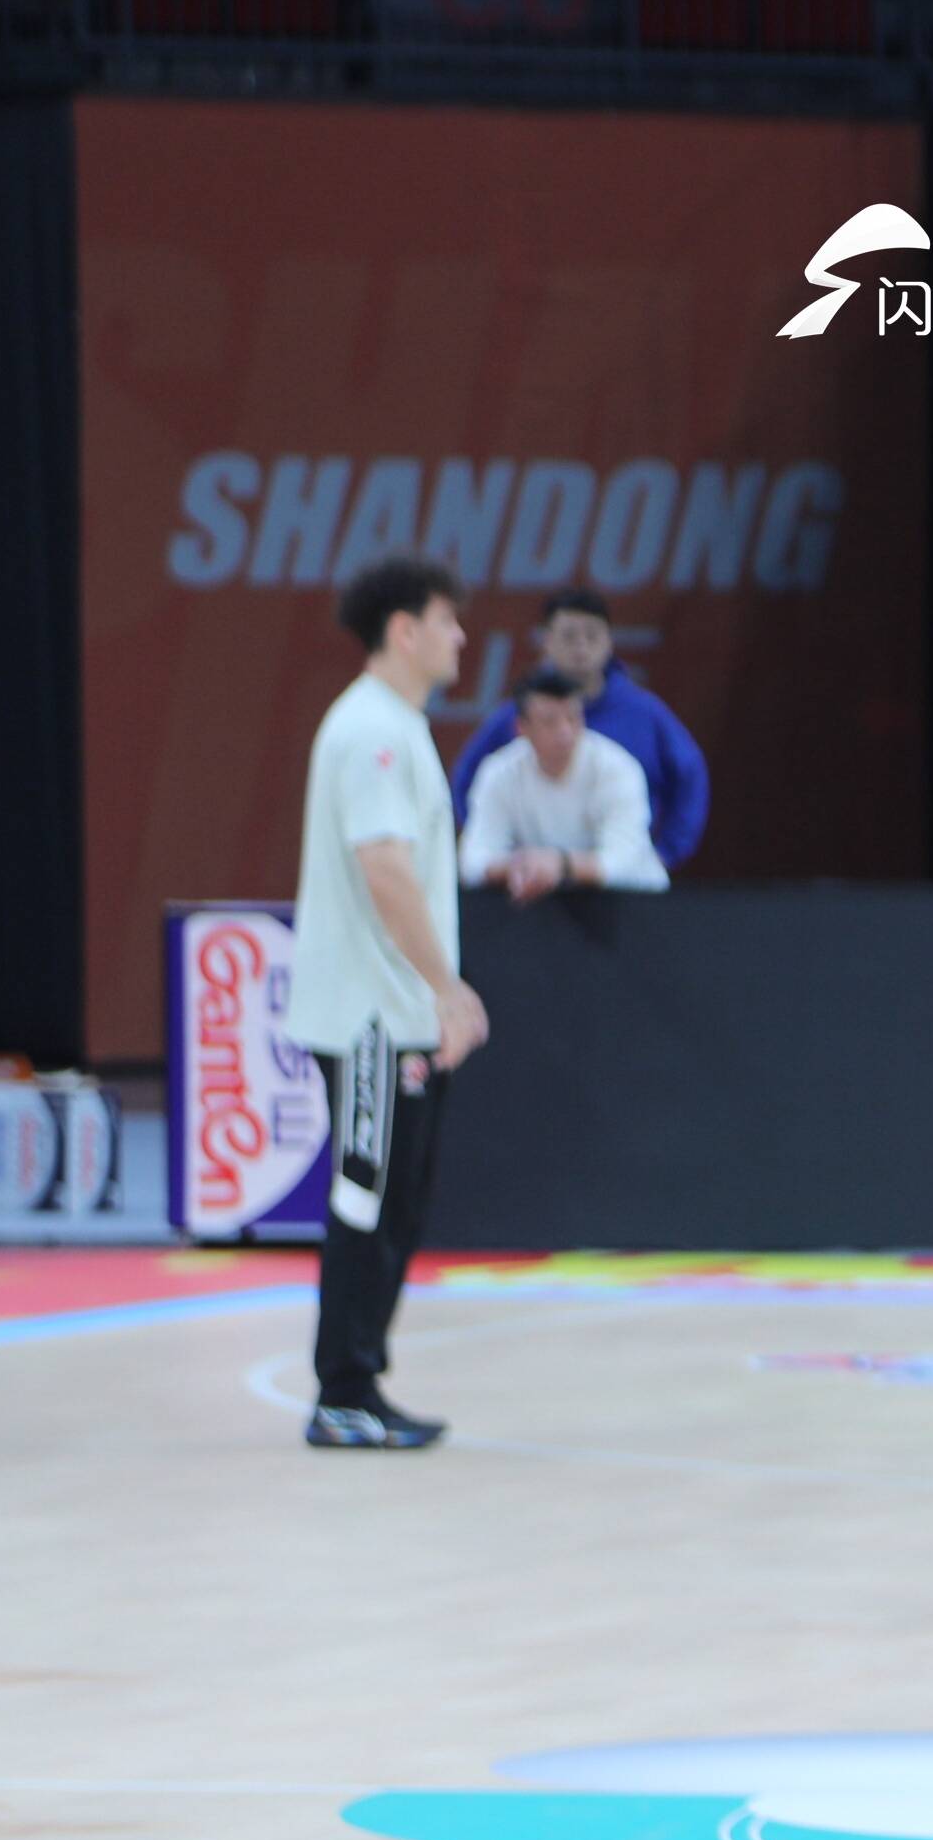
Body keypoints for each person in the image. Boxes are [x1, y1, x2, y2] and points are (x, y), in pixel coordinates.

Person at [293, 557, 487, 1451]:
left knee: (395, 1202)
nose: (461, 637)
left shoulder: (394, 726)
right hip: (372, 1021)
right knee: (368, 1201)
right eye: (447, 620)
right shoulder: (373, 730)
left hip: (391, 1016)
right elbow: (384, 868)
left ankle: (358, 1384)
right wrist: (446, 988)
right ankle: (344, 1393)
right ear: (404, 630)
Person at [449, 587, 710, 869]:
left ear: (609, 642)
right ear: (547, 641)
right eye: (569, 636)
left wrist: (666, 852)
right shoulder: (514, 719)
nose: (581, 647)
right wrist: (505, 857)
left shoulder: (644, 718)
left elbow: (690, 776)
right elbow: (469, 782)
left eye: (592, 636)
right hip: (532, 883)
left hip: (619, 880)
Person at [457, 672, 669, 900]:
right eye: (550, 722)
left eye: (573, 718)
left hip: (631, 904)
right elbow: (472, 861)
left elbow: (623, 862)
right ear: (522, 728)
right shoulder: (499, 772)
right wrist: (521, 866)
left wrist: (561, 865)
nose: (565, 732)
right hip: (538, 902)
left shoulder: (618, 769)